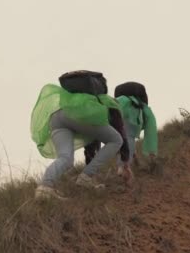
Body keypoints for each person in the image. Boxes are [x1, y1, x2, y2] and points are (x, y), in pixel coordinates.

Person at [30, 71, 130, 200]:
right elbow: (120, 132)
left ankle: (45, 188)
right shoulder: (109, 101)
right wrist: (125, 162)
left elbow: (92, 140)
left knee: (65, 158)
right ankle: (86, 178)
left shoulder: (71, 97)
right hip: (81, 116)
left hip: (57, 116)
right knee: (116, 139)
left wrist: (89, 159)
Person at [84, 82, 158, 181]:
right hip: (129, 124)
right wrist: (151, 152)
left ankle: (91, 165)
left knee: (116, 140)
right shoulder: (142, 107)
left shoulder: (117, 100)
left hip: (108, 121)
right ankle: (123, 167)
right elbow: (151, 129)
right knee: (128, 138)